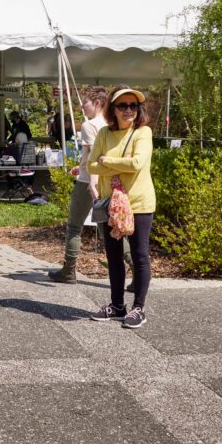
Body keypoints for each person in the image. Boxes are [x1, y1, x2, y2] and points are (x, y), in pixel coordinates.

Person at [88, 86, 155, 329]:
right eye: (122, 106)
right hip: (111, 204)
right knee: (114, 256)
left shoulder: (142, 132)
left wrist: (108, 161)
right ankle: (117, 305)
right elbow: (92, 166)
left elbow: (137, 163)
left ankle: (139, 307)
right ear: (112, 110)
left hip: (139, 204)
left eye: (133, 106)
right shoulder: (104, 133)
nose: (129, 110)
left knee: (139, 255)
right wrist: (113, 165)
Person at [49, 87, 108, 283]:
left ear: (97, 103)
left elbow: (93, 155)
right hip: (107, 181)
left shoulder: (89, 125)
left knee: (74, 226)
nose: (82, 106)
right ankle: (136, 269)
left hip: (87, 183)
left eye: (86, 102)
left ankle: (68, 271)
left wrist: (88, 176)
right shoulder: (111, 124)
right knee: (109, 229)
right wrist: (80, 165)